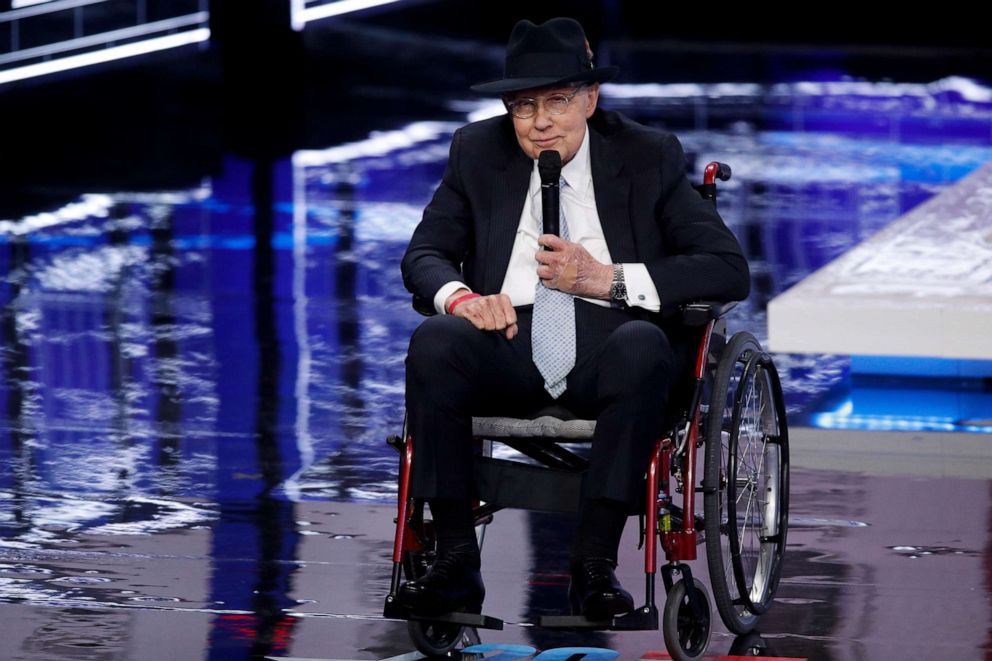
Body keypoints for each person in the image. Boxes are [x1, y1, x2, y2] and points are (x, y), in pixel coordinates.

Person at [397, 17, 749, 620]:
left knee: (642, 345)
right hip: (507, 336)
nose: (540, 122)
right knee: (434, 342)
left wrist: (602, 279)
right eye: (523, 105)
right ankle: (453, 560)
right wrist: (464, 300)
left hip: (610, 344)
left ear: (590, 98)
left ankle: (593, 565)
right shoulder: (475, 152)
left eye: (558, 100)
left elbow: (725, 269)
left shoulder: (647, 156)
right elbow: (423, 255)